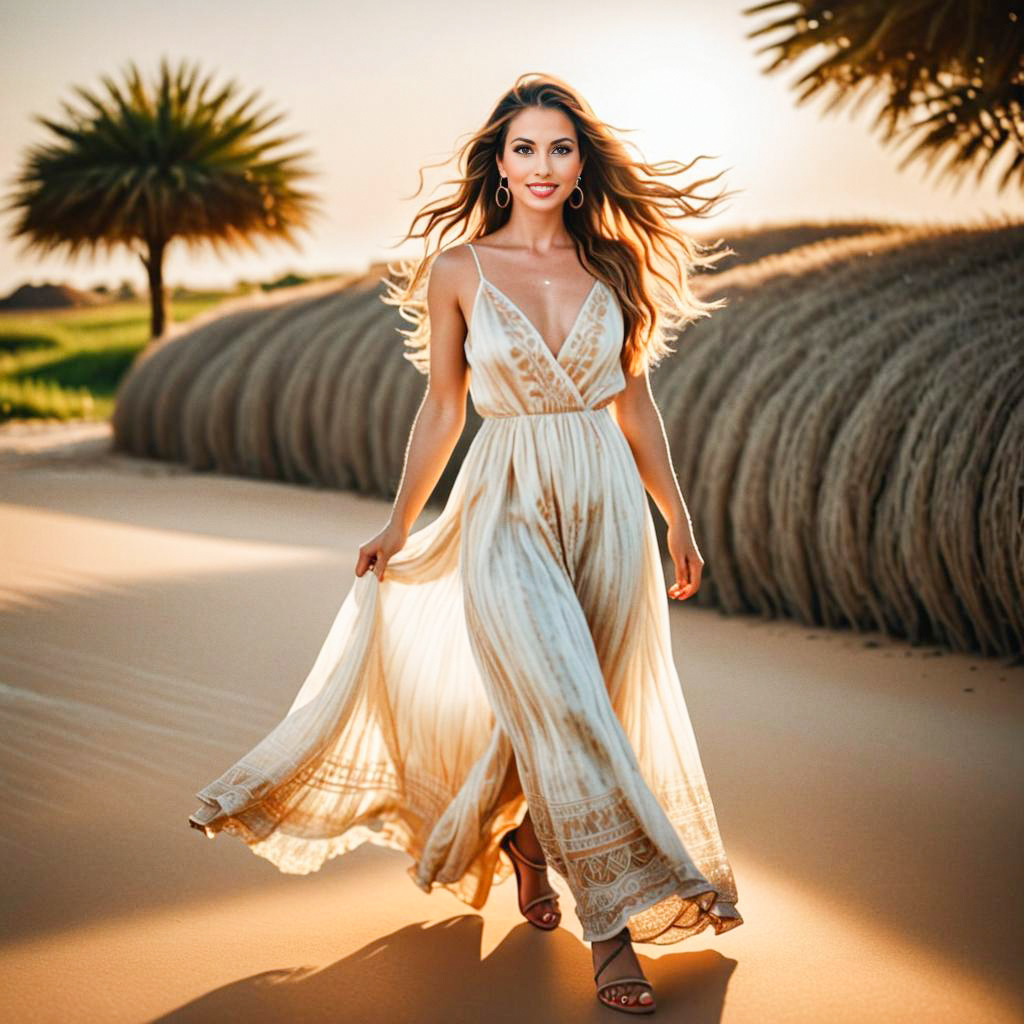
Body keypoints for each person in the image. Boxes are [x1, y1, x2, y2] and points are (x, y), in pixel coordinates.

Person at [189, 72, 743, 1015]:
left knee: (584, 705)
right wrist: (400, 522)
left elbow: (635, 401)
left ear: (581, 163)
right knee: (565, 699)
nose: (543, 165)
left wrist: (675, 515)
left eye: (560, 148)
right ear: (499, 160)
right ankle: (610, 932)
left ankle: (526, 835)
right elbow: (444, 408)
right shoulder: (460, 269)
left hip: (608, 508)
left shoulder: (614, 265)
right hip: (505, 505)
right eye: (524, 147)